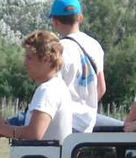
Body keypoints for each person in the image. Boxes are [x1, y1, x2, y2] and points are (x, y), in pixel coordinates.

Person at [0, 31, 74, 142]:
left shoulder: (48, 90)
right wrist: (5, 129)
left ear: (47, 59)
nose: (25, 63)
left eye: (29, 58)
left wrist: (2, 129)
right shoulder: (57, 86)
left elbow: (34, 134)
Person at [47, 0, 113, 132]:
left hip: (65, 122)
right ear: (80, 18)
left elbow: (51, 91)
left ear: (55, 22)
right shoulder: (94, 45)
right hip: (88, 122)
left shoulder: (58, 49)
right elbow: (101, 87)